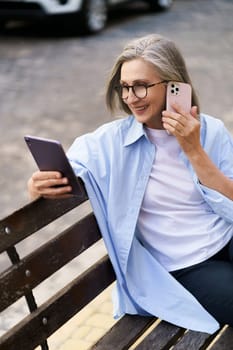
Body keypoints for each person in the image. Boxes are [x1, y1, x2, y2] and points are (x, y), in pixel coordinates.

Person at [27, 34, 233, 333]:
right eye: (124, 87)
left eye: (141, 86)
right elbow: (61, 172)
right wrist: (36, 188)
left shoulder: (211, 130)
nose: (130, 97)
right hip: (186, 266)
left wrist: (193, 150)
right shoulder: (108, 144)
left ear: (173, 85)